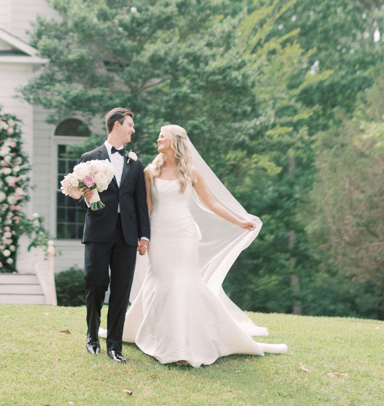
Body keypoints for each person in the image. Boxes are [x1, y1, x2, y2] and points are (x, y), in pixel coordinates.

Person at [121, 124, 288, 367]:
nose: (158, 139)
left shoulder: (191, 172)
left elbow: (212, 204)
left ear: (175, 141)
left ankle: (184, 346)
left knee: (184, 282)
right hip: (159, 234)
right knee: (162, 283)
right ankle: (163, 338)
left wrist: (239, 221)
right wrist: (142, 237)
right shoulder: (150, 172)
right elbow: (147, 209)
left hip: (184, 234)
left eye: (162, 136)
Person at [80, 107, 150, 363]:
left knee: (121, 290)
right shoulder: (89, 158)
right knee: (96, 284)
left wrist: (144, 236)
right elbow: (78, 196)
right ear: (117, 125)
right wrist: (87, 197)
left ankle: (114, 346)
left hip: (127, 235)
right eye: (130, 124)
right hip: (98, 232)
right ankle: (91, 336)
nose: (133, 129)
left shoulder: (135, 162)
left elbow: (140, 202)